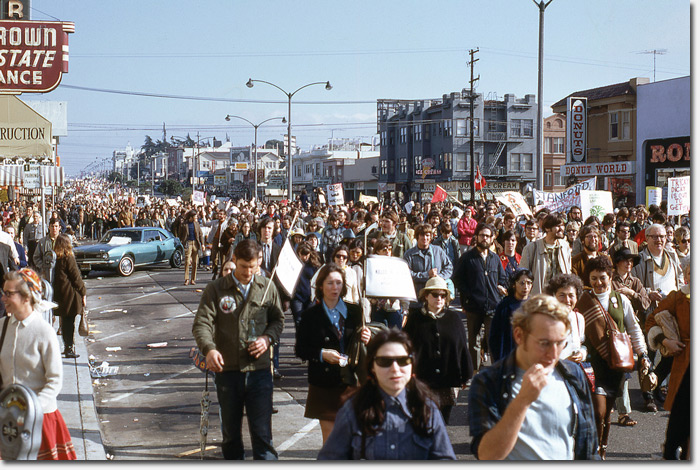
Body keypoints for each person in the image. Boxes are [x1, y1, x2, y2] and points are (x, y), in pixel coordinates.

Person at [468, 294, 599, 460]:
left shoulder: (572, 374)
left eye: (560, 343)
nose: (553, 354)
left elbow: (589, 447)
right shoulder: (488, 382)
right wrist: (522, 400)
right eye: (544, 343)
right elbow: (487, 455)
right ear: (519, 335)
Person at [192, 239, 285, 460]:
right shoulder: (216, 289)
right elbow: (202, 324)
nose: (248, 272)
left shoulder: (267, 286)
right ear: (234, 259)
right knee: (231, 437)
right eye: (244, 266)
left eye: (253, 267)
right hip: (228, 373)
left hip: (259, 372)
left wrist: (267, 339)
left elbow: (278, 321)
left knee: (263, 436)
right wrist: (209, 349)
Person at [318, 329, 456, 460]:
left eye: (403, 360)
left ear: (412, 364)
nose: (395, 369)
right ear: (372, 367)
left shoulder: (427, 409)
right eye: (385, 361)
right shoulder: (353, 410)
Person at [575, 256, 650, 459]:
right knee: (598, 412)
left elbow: (634, 329)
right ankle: (592, 454)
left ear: (610, 277)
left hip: (616, 364)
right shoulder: (582, 302)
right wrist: (580, 351)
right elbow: (577, 334)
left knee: (607, 413)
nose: (598, 283)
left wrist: (643, 354)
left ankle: (602, 451)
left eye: (602, 278)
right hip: (591, 364)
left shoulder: (621, 300)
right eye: (593, 279)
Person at [0, 268, 77, 460]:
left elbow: (55, 381)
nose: (3, 298)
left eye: (9, 294)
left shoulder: (44, 332)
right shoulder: (2, 327)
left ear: (26, 297)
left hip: (40, 420)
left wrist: (31, 412)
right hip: (8, 422)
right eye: (3, 293)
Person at [295, 264, 371, 443]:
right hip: (324, 383)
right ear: (320, 286)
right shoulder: (310, 316)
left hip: (350, 381)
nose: (335, 288)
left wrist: (367, 336)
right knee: (330, 441)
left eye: (339, 283)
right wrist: (322, 354)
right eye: (330, 283)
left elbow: (363, 344)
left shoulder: (355, 311)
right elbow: (301, 350)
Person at [404, 276, 472, 424]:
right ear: (426, 296)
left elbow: (462, 348)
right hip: (422, 379)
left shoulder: (454, 318)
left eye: (443, 295)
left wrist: (466, 375)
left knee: (442, 422)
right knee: (422, 420)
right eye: (435, 294)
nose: (439, 298)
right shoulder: (415, 319)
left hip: (448, 380)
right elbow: (405, 346)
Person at [453, 222, 507, 370]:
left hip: (493, 306)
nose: (485, 238)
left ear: (492, 239)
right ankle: (474, 371)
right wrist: (468, 294)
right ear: (476, 236)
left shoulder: (495, 258)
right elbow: (457, 279)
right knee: (474, 342)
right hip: (473, 307)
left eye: (488, 236)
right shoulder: (467, 258)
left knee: (493, 340)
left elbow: (502, 279)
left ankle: (495, 371)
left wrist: (501, 288)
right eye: (482, 235)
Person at [645, 263, 690, 413]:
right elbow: (651, 320)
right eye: (691, 273)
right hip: (683, 359)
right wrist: (665, 341)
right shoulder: (677, 298)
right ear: (685, 277)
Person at [52, 234, 87, 359]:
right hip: (70, 295)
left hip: (60, 294)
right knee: (69, 323)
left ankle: (67, 346)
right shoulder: (68, 258)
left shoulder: (56, 258)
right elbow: (76, 277)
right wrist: (83, 292)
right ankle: (69, 348)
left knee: (64, 322)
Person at [488, 268, 534, 363]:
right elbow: (494, 335)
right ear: (514, 285)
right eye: (522, 283)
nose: (526, 287)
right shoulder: (504, 306)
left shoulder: (534, 305)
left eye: (529, 283)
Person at [519, 214, 571, 295]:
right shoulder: (531, 248)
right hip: (540, 299)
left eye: (562, 225)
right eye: (558, 226)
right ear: (547, 228)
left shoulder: (565, 246)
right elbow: (523, 275)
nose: (561, 229)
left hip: (561, 298)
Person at [404, 223, 453, 299]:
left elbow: (449, 267)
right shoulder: (409, 254)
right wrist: (426, 275)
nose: (425, 238)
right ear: (417, 237)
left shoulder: (438, 251)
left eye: (427, 235)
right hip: (417, 297)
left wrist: (439, 277)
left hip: (436, 297)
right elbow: (407, 274)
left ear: (431, 237)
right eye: (422, 235)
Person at [291, 242, 321, 329]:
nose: (304, 257)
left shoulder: (314, 265)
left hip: (311, 297)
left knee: (309, 321)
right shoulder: (294, 263)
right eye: (302, 254)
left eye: (306, 254)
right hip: (297, 297)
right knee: (298, 320)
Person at [178, 210, 204, 285]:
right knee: (187, 261)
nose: (196, 217)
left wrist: (202, 244)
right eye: (195, 216)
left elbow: (200, 234)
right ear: (191, 217)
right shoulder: (184, 224)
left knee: (195, 262)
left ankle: (193, 279)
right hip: (188, 243)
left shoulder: (197, 224)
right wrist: (182, 242)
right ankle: (187, 279)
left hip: (195, 243)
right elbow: (180, 234)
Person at [33, 217, 62, 283]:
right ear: (49, 227)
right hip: (47, 274)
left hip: (61, 273)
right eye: (52, 226)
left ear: (59, 227)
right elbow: (36, 257)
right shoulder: (42, 242)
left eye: (56, 226)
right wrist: (43, 266)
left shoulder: (63, 241)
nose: (54, 228)